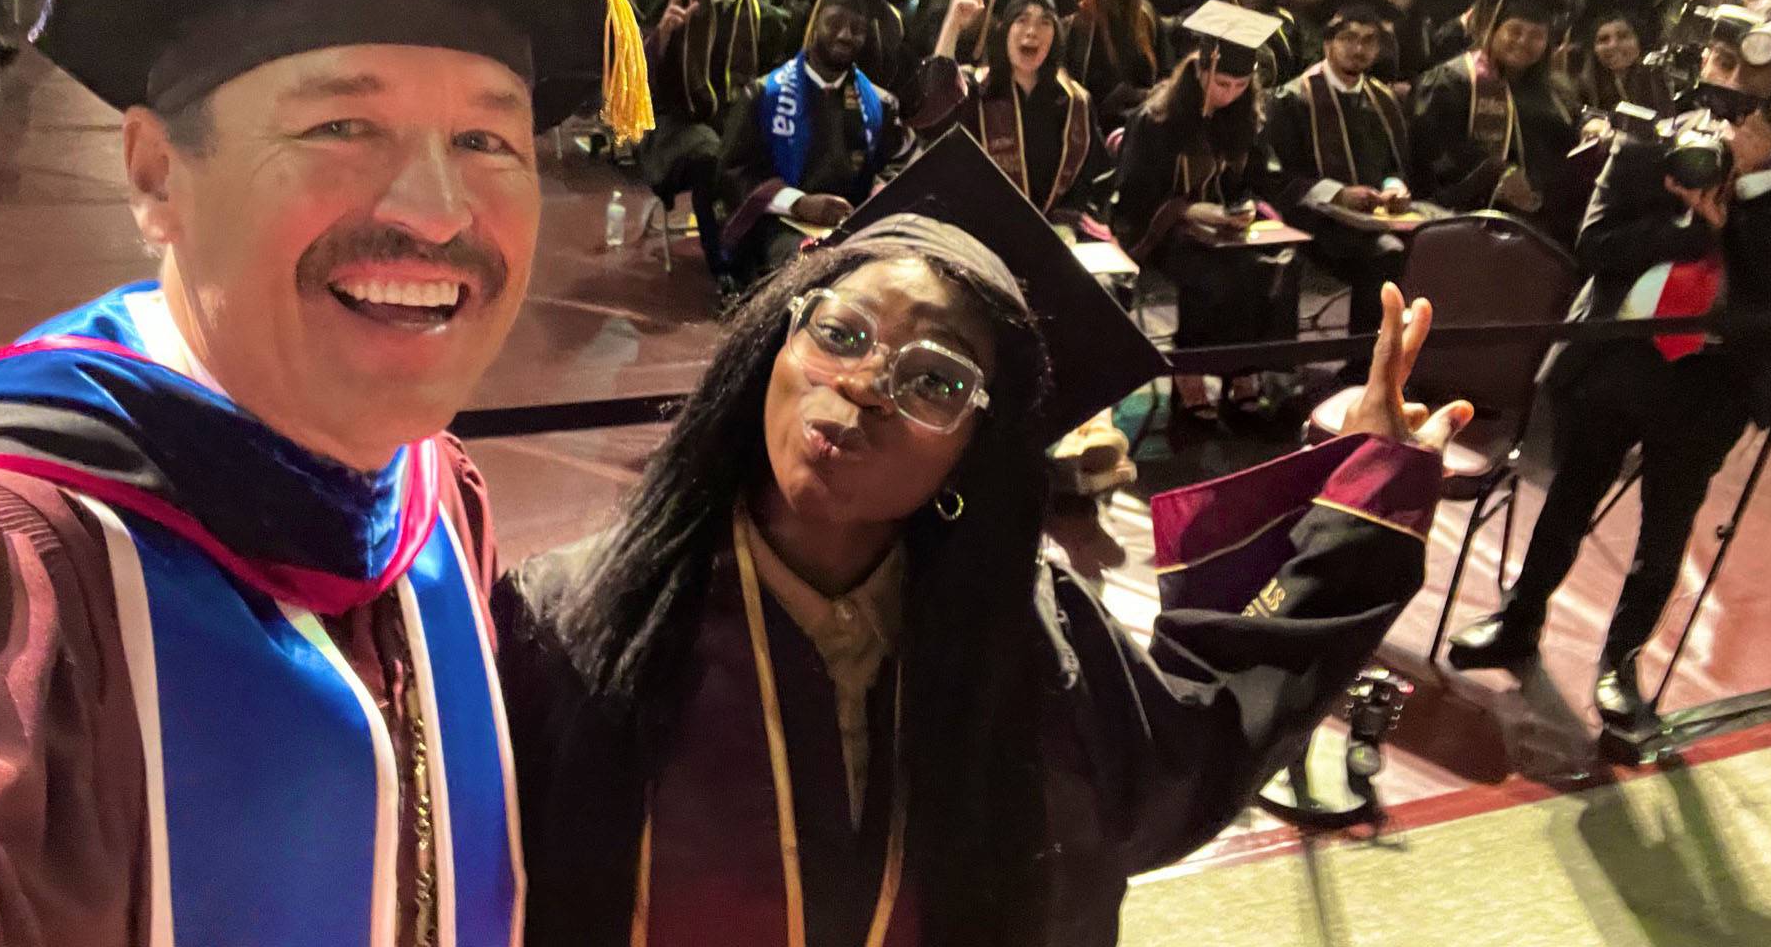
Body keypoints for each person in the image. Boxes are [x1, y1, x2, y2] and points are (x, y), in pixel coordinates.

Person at [0, 0, 636, 945]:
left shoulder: (431, 496)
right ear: (154, 176)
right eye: (341, 126)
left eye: (484, 138)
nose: (435, 209)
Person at [494, 129, 1472, 946]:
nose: (867, 383)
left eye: (934, 380)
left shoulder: (1029, 643)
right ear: (773, 347)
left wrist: (1360, 494)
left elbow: (1189, 751)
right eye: (839, 333)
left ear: (975, 445)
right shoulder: (571, 623)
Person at [1448, 4, 1771, 727]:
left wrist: (1760, 182)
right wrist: (1684, 226)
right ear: (1703, 58)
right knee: (1570, 492)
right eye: (1720, 60)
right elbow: (1598, 243)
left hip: (1717, 373)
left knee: (1666, 522)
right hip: (1624, 351)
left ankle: (1619, 663)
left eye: (1751, 68)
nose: (1731, 79)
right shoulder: (1650, 129)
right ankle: (1518, 619)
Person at [1117, 0, 1301, 419]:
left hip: (1222, 232)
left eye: (1240, 85)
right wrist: (1188, 211)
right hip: (1162, 230)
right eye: (1221, 83)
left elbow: (1258, 177)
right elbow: (1134, 194)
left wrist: (1244, 206)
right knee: (1212, 275)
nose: (1230, 94)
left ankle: (1244, 373)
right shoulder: (1156, 118)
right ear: (1201, 69)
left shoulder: (1243, 115)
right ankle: (1191, 375)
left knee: (1271, 265)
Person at [714, 0, 912, 279]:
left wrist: (876, 197)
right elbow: (735, 173)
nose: (845, 35)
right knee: (813, 266)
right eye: (835, 23)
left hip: (857, 225)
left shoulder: (881, 105)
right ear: (815, 23)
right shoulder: (764, 95)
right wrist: (799, 204)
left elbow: (900, 163)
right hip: (778, 227)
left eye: (857, 29)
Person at [640, 0, 790, 286]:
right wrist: (662, 37)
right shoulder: (674, 0)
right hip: (674, 133)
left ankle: (760, 261)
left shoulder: (766, 21)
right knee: (711, 154)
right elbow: (637, 84)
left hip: (733, 132)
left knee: (757, 157)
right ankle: (725, 267)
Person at [1266, 0, 1416, 342]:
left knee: (1440, 244)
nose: (1359, 49)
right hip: (1312, 220)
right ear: (1328, 42)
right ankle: (1362, 361)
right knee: (1386, 254)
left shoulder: (1383, 101)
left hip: (1374, 220)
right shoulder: (1292, 100)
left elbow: (1394, 166)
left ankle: (1413, 356)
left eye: (1369, 40)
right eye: (1349, 38)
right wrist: (1337, 195)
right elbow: (1275, 178)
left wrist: (1393, 189)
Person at [911, 0, 1111, 223]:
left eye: (1044, 22)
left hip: (1053, 242)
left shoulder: (1075, 103)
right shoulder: (975, 90)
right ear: (1005, 30)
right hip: (982, 236)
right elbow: (932, 113)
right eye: (1021, 20)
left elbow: (1093, 180)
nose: (1032, 32)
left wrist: (1070, 223)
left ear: (1055, 36)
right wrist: (953, 25)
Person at [1409, 0, 1583, 239]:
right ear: (1494, 30)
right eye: (1515, 31)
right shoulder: (1453, 80)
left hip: (1539, 224)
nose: (1524, 41)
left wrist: (1589, 125)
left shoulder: (1555, 91)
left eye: (1536, 35)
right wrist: (1497, 177)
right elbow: (1431, 152)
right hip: (1466, 221)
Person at [1064, 0, 1171, 126]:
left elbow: (1164, 65)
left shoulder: (1147, 17)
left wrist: (1160, 90)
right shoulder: (1080, 20)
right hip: (1094, 122)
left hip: (1141, 121)